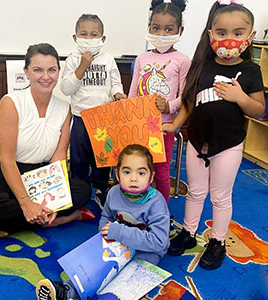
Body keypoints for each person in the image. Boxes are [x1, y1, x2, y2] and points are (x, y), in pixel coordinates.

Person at [164, 0, 265, 270]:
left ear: (250, 36)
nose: (229, 39)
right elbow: (187, 102)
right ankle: (188, 232)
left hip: (228, 145)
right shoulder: (201, 66)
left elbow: (259, 109)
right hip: (198, 142)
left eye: (237, 33)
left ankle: (218, 241)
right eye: (221, 33)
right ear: (211, 35)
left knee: (220, 196)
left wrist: (239, 97)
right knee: (195, 191)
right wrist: (175, 125)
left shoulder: (252, 71)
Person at [0, 43, 92, 236]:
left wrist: (53, 199)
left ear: (59, 72)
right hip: (7, 170)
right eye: (38, 70)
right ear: (26, 72)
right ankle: (61, 219)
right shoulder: (11, 103)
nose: (46, 76)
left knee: (83, 191)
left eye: (52, 70)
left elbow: (58, 158)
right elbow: (6, 160)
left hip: (43, 174)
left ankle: (22, 220)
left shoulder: (64, 108)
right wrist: (25, 201)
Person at [36, 144, 170, 300]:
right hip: (118, 243)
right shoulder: (113, 193)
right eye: (127, 172)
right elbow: (106, 217)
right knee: (93, 267)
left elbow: (159, 242)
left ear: (151, 177)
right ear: (117, 175)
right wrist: (105, 231)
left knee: (126, 282)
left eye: (141, 172)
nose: (133, 178)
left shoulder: (156, 202)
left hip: (146, 251)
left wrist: (119, 232)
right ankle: (67, 291)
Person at [61, 14, 127, 208]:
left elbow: (116, 83)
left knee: (104, 157)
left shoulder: (108, 60)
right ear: (75, 38)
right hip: (81, 117)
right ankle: (79, 189)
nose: (88, 38)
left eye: (94, 34)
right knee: (79, 156)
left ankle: (100, 187)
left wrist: (118, 94)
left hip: (104, 118)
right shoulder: (73, 60)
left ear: (102, 39)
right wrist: (82, 66)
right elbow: (66, 89)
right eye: (84, 34)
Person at [128, 0, 191, 204]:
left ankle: (161, 208)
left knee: (161, 170)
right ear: (149, 28)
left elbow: (185, 96)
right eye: (156, 28)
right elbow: (133, 93)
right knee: (136, 165)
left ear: (179, 31)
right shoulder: (142, 58)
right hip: (140, 125)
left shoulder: (182, 60)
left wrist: (170, 106)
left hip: (164, 127)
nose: (161, 34)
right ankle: (136, 203)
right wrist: (128, 117)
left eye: (168, 29)